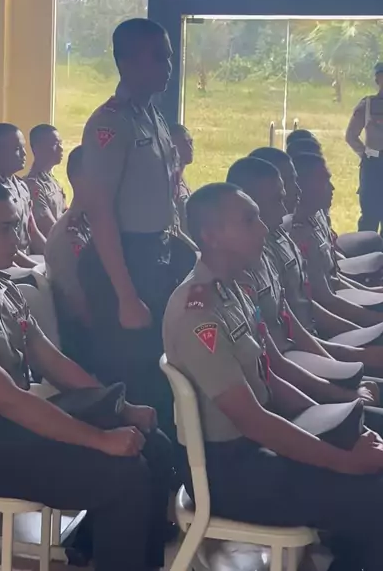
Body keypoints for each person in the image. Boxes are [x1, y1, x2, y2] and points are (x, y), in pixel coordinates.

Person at [0, 180, 172, 571]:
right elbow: (10, 400)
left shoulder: (1, 287)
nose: (17, 237)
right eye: (5, 228)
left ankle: (109, 553)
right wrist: (100, 439)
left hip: (15, 425)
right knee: (125, 476)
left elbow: (54, 362)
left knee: (153, 443)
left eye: (17, 225)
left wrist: (121, 408)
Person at [163, 182, 383, 571]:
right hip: (231, 474)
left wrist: (342, 423)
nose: (264, 228)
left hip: (257, 450)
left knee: (369, 434)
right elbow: (252, 420)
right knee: (373, 491)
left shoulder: (232, 290)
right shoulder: (198, 313)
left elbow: (271, 374)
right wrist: (345, 461)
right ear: (211, 236)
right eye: (249, 220)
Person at [78, 18, 195, 432]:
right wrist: (126, 295)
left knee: (159, 367)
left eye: (169, 56)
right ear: (126, 62)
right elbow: (100, 211)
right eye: (157, 57)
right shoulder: (110, 124)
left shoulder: (153, 117)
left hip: (155, 256)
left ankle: (166, 453)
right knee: (132, 373)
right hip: (122, 260)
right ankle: (133, 457)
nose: (168, 65)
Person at [248, 147, 383, 378]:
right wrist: (352, 356)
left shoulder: (281, 237)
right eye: (287, 184)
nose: (294, 191)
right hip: (301, 356)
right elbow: (278, 355)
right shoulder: (258, 256)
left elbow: (308, 304)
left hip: (311, 344)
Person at [289, 153, 383, 327]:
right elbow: (325, 300)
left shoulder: (312, 218)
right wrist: (374, 320)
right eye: (324, 181)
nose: (332, 188)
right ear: (301, 186)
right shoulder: (292, 236)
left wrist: (371, 293)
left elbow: (333, 279)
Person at [45, 146, 92, 366]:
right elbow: (81, 307)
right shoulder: (69, 236)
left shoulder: (95, 224)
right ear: (81, 180)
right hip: (85, 343)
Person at [0, 123, 46, 267]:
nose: (24, 154)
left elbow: (33, 230)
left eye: (23, 147)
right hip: (7, 265)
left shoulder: (22, 186)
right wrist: (35, 270)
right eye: (17, 149)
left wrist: (54, 256)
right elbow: (2, 246)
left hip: (27, 258)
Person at [346, 62, 383, 234]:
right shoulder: (367, 105)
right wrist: (366, 155)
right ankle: (366, 249)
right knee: (369, 216)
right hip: (373, 165)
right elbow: (351, 135)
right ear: (377, 79)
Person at [24, 124, 67, 237]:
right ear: (37, 149)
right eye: (55, 144)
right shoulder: (33, 185)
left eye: (60, 143)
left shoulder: (52, 181)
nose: (61, 148)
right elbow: (48, 227)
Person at [170, 123, 193, 234]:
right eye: (184, 144)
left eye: (190, 143)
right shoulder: (169, 183)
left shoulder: (181, 179)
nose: (190, 148)